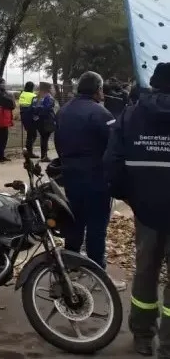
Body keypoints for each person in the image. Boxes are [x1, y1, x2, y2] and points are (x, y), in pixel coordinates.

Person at [104, 62, 170, 357]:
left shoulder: (130, 115)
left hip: (146, 209)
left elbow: (113, 162)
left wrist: (129, 196)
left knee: (146, 270)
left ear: (153, 84)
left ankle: (143, 335)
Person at [55, 71, 125, 290]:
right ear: (97, 90)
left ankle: (71, 269)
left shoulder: (64, 111)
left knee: (75, 224)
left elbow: (57, 142)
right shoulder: (100, 113)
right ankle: (98, 275)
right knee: (96, 228)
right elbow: (114, 146)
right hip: (95, 178)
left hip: (70, 176)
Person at [30, 82, 56, 162]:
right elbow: (48, 108)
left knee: (43, 138)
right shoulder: (48, 97)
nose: (52, 89)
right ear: (47, 89)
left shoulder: (36, 97)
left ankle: (43, 155)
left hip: (37, 120)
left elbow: (32, 108)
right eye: (51, 88)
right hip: (46, 120)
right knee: (45, 138)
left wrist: (37, 114)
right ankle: (44, 156)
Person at [18, 82, 38, 157]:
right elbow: (35, 107)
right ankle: (29, 151)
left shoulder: (22, 94)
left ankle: (28, 150)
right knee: (33, 135)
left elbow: (20, 104)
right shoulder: (33, 95)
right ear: (32, 87)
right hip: (30, 116)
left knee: (30, 134)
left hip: (23, 115)